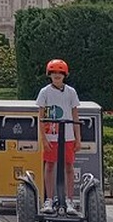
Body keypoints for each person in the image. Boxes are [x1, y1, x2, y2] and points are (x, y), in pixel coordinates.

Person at [36, 59, 81, 216]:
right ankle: (49, 199)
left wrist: (78, 137)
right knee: (49, 166)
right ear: (50, 75)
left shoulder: (71, 92)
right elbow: (40, 116)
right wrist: (43, 138)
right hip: (51, 136)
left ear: (64, 75)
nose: (57, 76)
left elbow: (75, 115)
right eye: (54, 73)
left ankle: (69, 199)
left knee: (69, 167)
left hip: (67, 136)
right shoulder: (44, 92)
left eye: (60, 73)